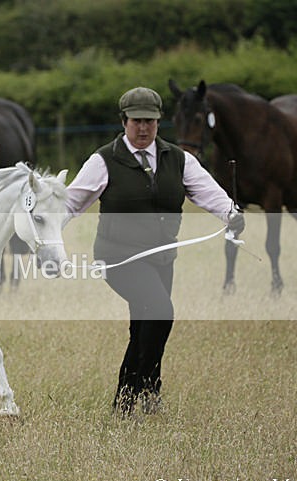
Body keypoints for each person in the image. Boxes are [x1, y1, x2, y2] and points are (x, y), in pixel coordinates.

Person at [65, 87, 245, 417]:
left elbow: (207, 192)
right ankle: (129, 395)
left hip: (162, 257)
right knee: (160, 311)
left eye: (150, 121)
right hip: (119, 257)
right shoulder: (103, 161)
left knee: (145, 326)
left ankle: (144, 395)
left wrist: (230, 213)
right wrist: (39, 234)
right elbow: (70, 203)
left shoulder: (178, 159)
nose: (143, 128)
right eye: (136, 121)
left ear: (159, 121)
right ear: (124, 121)